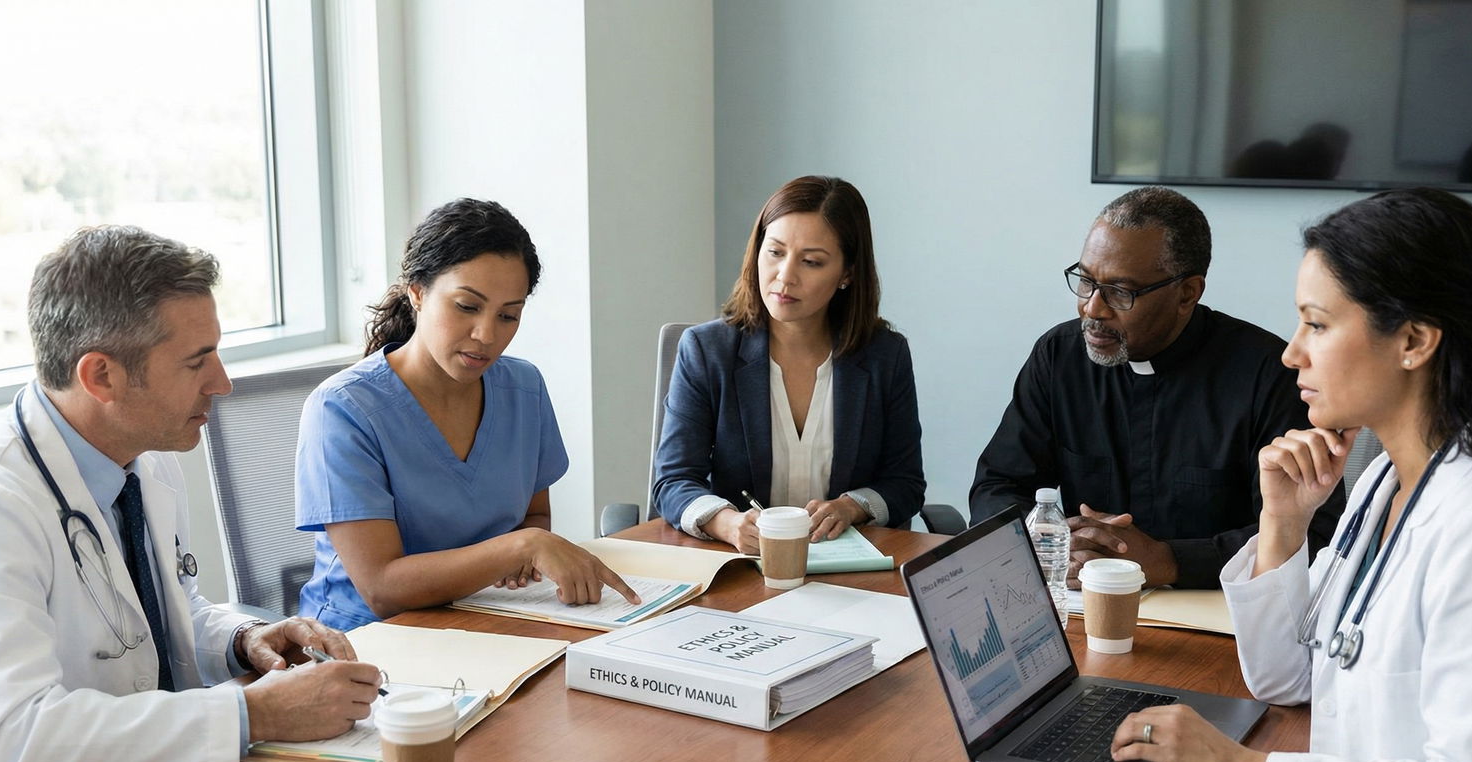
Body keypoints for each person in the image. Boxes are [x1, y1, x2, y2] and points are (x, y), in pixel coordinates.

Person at [1110, 188, 1472, 762]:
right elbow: (1290, 678)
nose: (1291, 354)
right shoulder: (1383, 482)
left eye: (1316, 324)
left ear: (1413, 340)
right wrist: (1282, 525)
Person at [0, 226, 381, 762]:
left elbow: (156, 615)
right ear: (101, 376)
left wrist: (242, 640)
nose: (222, 383)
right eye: (196, 362)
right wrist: (251, 714)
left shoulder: (143, 455)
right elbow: (7, 745)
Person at [969, 186, 1343, 589]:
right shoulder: (1060, 356)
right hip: (1084, 602)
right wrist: (1049, 543)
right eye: (1085, 281)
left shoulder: (1269, 374)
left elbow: (1315, 534)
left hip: (1215, 616)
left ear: (1187, 293)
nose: (1092, 308)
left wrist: (1170, 561)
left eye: (1120, 292)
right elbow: (998, 485)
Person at [295, 198, 639, 632]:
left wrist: (524, 548)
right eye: (467, 306)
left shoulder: (523, 389)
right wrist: (522, 548)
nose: (486, 336)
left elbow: (531, 519)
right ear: (417, 292)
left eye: (508, 315)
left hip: (484, 622)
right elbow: (382, 589)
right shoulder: (343, 409)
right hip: (367, 645)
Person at [652, 175, 924, 553]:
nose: (785, 276)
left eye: (811, 262)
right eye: (775, 252)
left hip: (846, 566)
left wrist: (852, 507)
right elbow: (673, 481)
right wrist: (728, 524)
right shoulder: (706, 350)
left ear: (847, 273)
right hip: (741, 563)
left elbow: (905, 483)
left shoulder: (884, 356)